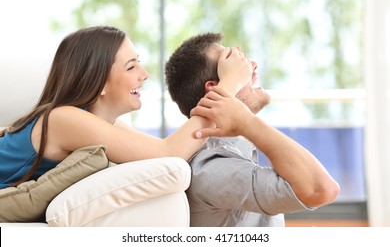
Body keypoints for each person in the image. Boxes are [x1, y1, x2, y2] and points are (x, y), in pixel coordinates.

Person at [0, 26, 253, 189]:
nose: (144, 74)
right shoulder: (63, 119)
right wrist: (230, 83)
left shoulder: (100, 123)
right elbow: (170, 152)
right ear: (98, 82)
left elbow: (165, 148)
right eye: (131, 67)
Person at [165, 32, 340, 227]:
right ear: (217, 88)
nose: (253, 65)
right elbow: (321, 189)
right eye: (238, 67)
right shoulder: (210, 168)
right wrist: (247, 122)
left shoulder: (234, 151)